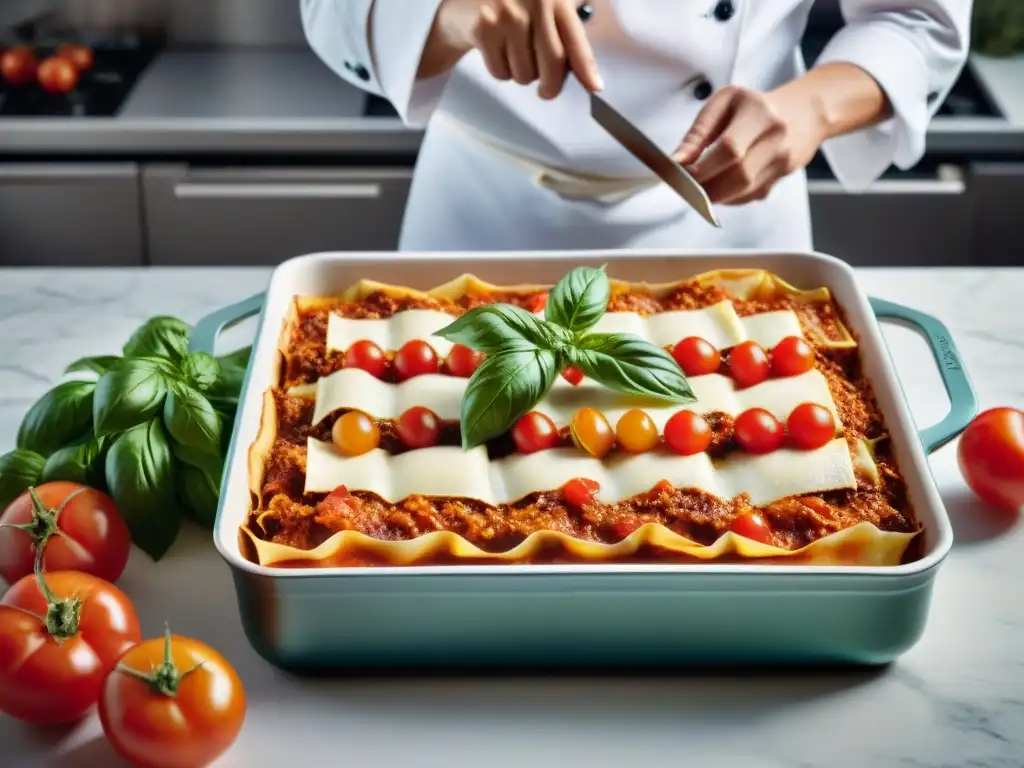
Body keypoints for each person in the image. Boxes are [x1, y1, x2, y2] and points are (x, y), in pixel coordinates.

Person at [300, 0, 972, 252]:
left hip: (733, 219)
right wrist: (447, 12)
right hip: (485, 218)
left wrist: (810, 108)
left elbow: (920, 20)